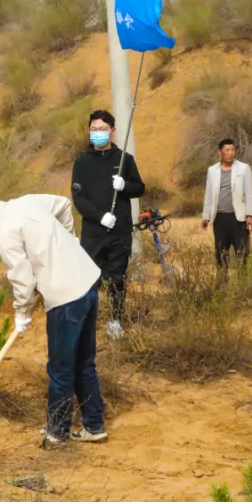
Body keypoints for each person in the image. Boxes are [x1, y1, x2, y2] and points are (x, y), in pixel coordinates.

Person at [0, 179, 106, 447]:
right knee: (84, 363)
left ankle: (57, 433)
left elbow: (22, 278)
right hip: (88, 283)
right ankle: (94, 426)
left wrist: (22, 312)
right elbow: (64, 205)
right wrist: (69, 242)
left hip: (64, 297)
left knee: (60, 369)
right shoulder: (28, 201)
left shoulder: (3, 234)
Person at [71, 110, 145, 340]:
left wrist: (125, 186)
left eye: (103, 129)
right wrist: (99, 216)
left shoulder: (124, 160)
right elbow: (78, 197)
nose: (98, 133)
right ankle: (88, 322)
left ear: (112, 131)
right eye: (94, 129)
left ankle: (115, 320)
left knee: (116, 278)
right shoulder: (82, 162)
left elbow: (139, 188)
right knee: (89, 279)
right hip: (93, 233)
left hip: (119, 233)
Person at [202, 138, 252, 268]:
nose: (230, 153)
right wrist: (206, 217)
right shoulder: (212, 170)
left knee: (242, 253)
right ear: (220, 152)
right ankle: (223, 278)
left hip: (238, 218)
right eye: (227, 150)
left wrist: (249, 215)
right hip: (220, 218)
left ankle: (243, 279)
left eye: (232, 150)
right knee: (221, 254)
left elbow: (248, 193)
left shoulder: (243, 168)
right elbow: (208, 194)